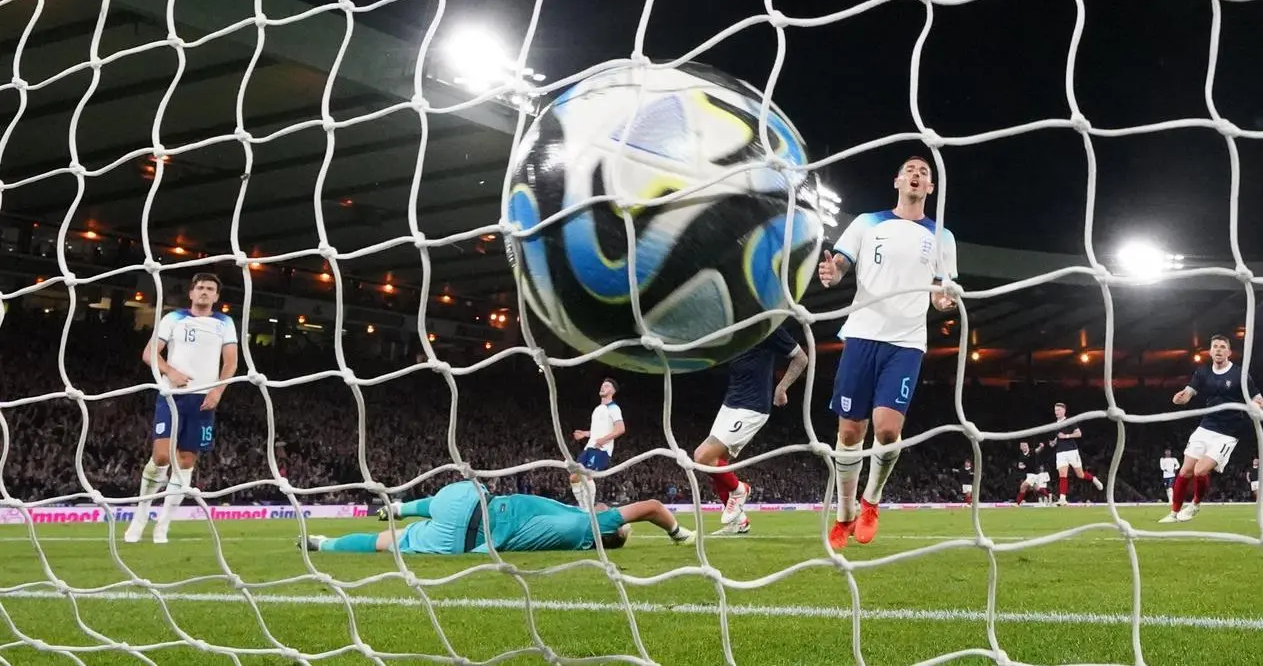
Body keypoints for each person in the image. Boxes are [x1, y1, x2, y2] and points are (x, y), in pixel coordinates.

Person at [817, 155, 957, 548]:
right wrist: (833, 273)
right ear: (897, 180)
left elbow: (940, 291)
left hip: (907, 341)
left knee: (888, 429)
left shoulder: (942, 236)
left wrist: (944, 302)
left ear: (931, 188)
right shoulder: (866, 222)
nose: (916, 175)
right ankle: (844, 513)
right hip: (862, 335)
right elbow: (842, 263)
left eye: (924, 173)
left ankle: (871, 501)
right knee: (849, 431)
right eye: (910, 170)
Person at [125, 274, 238, 544]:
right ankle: (139, 519)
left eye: (210, 289)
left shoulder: (225, 323)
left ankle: (163, 525)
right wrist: (170, 371)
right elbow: (149, 352)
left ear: (216, 296)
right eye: (200, 287)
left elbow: (230, 363)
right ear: (191, 293)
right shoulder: (173, 318)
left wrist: (217, 391)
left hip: (203, 400)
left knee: (186, 461)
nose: (204, 292)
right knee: (162, 457)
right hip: (172, 395)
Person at [300, 481, 696, 554]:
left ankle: (399, 507)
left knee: (443, 499)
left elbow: (652, 508)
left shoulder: (588, 527)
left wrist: (680, 534)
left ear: (609, 531)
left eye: (617, 520)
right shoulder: (577, 522)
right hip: (465, 543)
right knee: (387, 544)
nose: (613, 511)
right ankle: (323, 544)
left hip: (474, 507)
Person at [692, 325, 808, 535]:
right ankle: (739, 522)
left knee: (701, 457)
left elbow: (801, 358)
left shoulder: (767, 326)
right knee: (715, 467)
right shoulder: (735, 329)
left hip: (752, 407)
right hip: (730, 404)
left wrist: (782, 387)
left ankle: (739, 490)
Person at [1161, 334, 1263, 523]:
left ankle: (1195, 505)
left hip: (1227, 433)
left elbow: (1258, 398)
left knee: (1200, 471)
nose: (1218, 349)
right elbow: (1187, 394)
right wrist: (1180, 398)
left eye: (1222, 347)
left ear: (1229, 352)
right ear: (1209, 351)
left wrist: (1258, 404)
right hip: (1206, 427)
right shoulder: (1202, 373)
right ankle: (1173, 513)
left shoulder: (1239, 374)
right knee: (1185, 471)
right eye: (1215, 346)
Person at [569, 378, 625, 510]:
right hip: (589, 447)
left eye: (606, 386)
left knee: (585, 475)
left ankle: (587, 510)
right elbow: (597, 431)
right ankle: (584, 508)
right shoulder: (598, 409)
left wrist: (604, 439)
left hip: (602, 450)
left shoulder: (614, 408)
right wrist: (585, 434)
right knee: (573, 478)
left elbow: (621, 429)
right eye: (602, 385)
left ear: (612, 391)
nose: (602, 387)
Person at [1050, 402, 1105, 505]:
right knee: (1062, 474)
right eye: (1055, 410)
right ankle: (1062, 499)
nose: (1056, 412)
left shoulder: (1069, 422)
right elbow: (1058, 436)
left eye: (1058, 410)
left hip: (1072, 450)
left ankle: (1093, 479)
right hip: (1060, 452)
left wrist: (1066, 436)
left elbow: (1079, 433)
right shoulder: (1055, 424)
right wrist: (1054, 442)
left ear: (1064, 411)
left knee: (1080, 474)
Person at [1015, 441, 1050, 505]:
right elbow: (1020, 465)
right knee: (1037, 488)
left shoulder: (1031, 451)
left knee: (1022, 486)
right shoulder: (1021, 456)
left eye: (1025, 445)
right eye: (1022, 446)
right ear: (1020, 448)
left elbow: (1037, 450)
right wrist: (1021, 466)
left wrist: (1041, 447)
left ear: (1027, 446)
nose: (1024, 447)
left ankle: (1017, 503)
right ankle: (1049, 496)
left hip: (1034, 474)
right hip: (1028, 474)